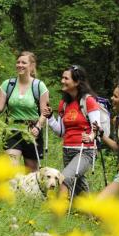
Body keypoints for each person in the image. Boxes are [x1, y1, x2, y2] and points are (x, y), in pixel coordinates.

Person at [0, 51, 49, 172]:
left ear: (31, 66)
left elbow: (44, 113)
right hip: (12, 131)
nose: (20, 65)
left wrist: (38, 126)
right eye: (18, 62)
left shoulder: (39, 86)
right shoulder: (8, 84)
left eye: (23, 62)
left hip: (32, 132)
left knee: (31, 174)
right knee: (11, 169)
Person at [43, 65, 100, 197]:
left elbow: (96, 128)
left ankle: (58, 213)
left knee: (65, 178)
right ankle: (92, 214)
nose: (62, 81)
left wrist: (91, 137)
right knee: (79, 186)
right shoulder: (64, 103)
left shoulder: (88, 101)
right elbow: (60, 132)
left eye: (66, 78)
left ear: (77, 82)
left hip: (85, 151)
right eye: (62, 78)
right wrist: (51, 118)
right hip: (67, 150)